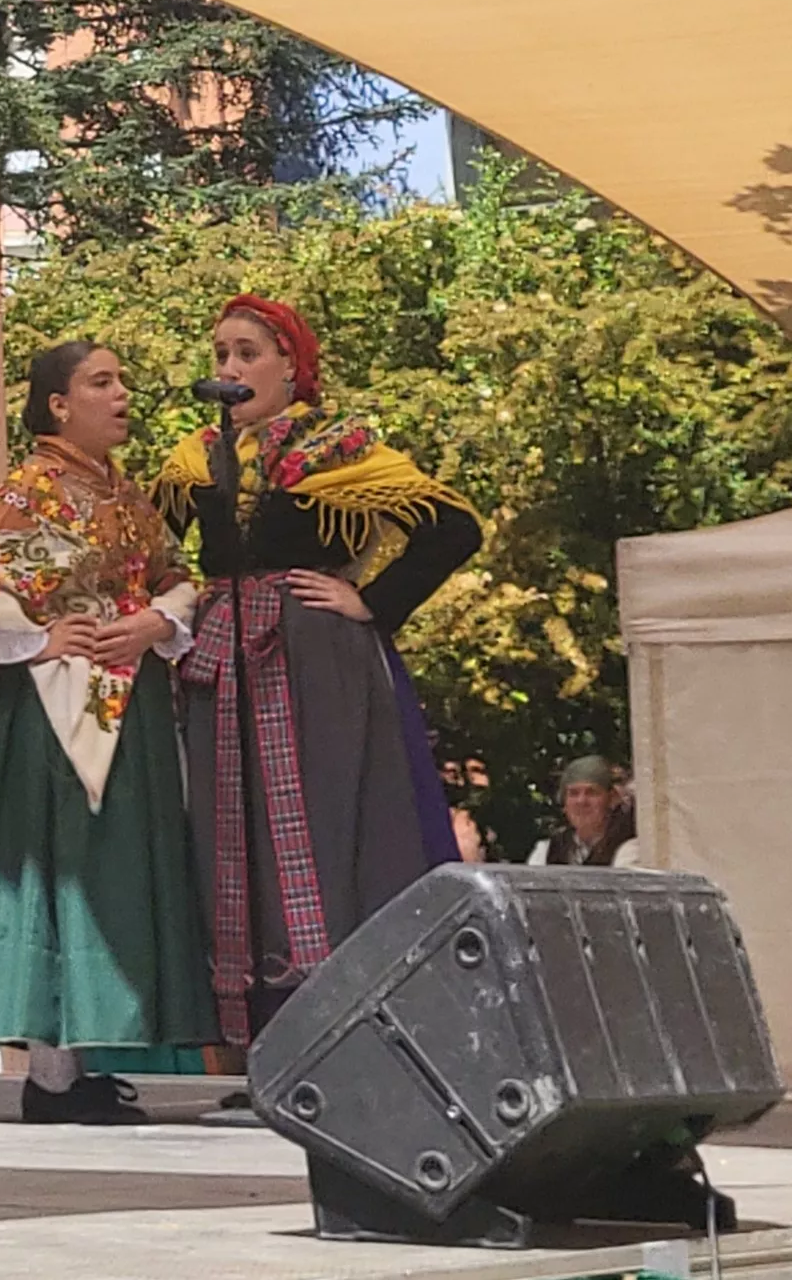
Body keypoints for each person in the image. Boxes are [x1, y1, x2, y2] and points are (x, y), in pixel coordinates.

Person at [151, 295, 480, 1044]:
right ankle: (257, 1038)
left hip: (314, 661)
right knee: (229, 831)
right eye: (221, 354)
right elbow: (150, 548)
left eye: (247, 353)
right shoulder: (197, 459)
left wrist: (370, 601)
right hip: (222, 662)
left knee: (325, 821)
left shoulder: (343, 452)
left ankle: (343, 1027)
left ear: (290, 367)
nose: (230, 367)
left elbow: (455, 527)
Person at [0, 342, 214, 1122]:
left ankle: (76, 1064)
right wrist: (33, 636)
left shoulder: (125, 495)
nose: (121, 395)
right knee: (58, 869)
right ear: (57, 404)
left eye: (120, 381)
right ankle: (51, 1072)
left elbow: (176, 575)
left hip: (127, 702)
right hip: (48, 711)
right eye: (100, 382)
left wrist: (155, 621)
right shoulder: (28, 491)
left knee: (106, 871)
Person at [525, 756, 640, 867]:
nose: (581, 801)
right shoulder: (546, 852)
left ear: (612, 799)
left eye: (592, 792)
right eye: (573, 793)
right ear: (564, 804)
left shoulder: (631, 850)